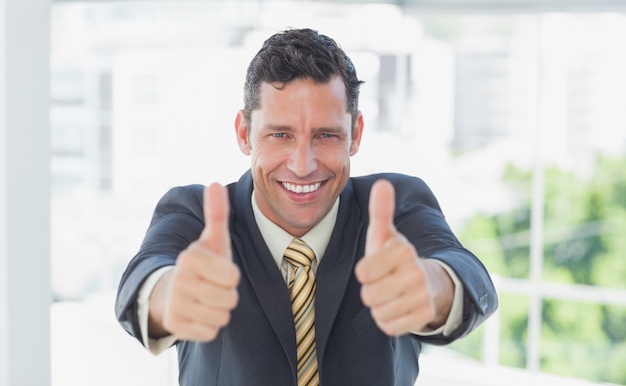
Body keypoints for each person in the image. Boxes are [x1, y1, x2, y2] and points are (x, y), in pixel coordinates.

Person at [115, 28, 498, 386]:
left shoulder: (395, 208)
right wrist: (169, 296)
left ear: (356, 134)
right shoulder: (196, 214)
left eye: (326, 135)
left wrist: (432, 288)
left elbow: (466, 272)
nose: (303, 164)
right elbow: (143, 279)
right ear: (244, 133)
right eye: (280, 134)